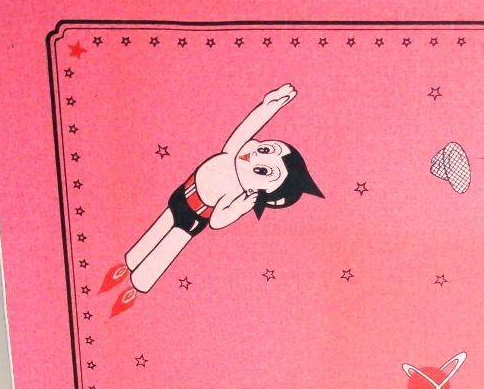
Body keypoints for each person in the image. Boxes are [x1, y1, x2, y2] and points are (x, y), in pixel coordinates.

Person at [100, 83, 323, 314]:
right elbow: (247, 128)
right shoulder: (232, 153)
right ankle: (131, 261)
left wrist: (237, 210)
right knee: (154, 233)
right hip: (181, 196)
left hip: (193, 219)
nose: (253, 156)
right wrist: (268, 106)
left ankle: (139, 283)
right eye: (265, 150)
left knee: (165, 250)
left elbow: (216, 222)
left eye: (262, 171)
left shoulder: (237, 189)